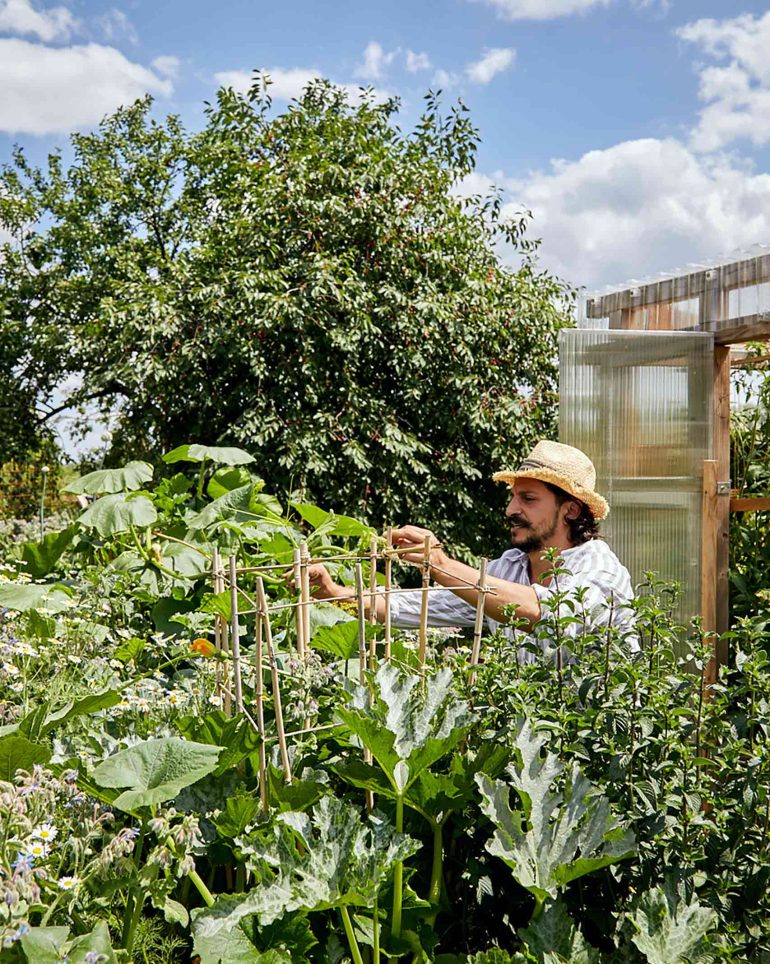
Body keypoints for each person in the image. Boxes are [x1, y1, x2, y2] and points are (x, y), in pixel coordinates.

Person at [304, 440, 635, 663]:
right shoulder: (510, 568)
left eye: (528, 499)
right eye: (513, 497)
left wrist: (441, 563)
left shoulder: (600, 570)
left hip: (600, 751)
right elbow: (411, 607)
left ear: (572, 511)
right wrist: (332, 592)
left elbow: (542, 612)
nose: (510, 509)